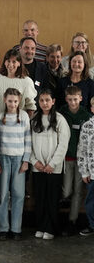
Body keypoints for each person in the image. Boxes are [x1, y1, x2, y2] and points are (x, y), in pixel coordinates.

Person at [30, 89, 70, 240]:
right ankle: (40, 226)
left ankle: (51, 228)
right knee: (40, 198)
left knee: (52, 198)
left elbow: (63, 145)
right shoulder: (34, 119)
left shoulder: (60, 119)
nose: (44, 103)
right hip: (38, 167)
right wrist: (35, 161)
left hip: (54, 168)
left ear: (53, 101)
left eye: (47, 100)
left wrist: (52, 163)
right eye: (42, 100)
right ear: (38, 102)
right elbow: (29, 143)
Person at [0, 88, 31, 241]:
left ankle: (16, 228)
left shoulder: (23, 116)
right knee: (3, 194)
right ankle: (3, 228)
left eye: (15, 101)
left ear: (19, 101)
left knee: (18, 195)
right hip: (3, 159)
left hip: (18, 159)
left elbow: (27, 138)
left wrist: (26, 160)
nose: (12, 104)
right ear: (5, 100)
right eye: (10, 101)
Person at [59, 85, 91, 235]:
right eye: (70, 99)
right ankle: (62, 213)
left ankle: (72, 220)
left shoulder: (86, 115)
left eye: (75, 99)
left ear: (81, 98)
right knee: (66, 190)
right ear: (66, 99)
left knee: (78, 191)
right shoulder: (62, 112)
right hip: (66, 157)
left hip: (81, 160)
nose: (73, 102)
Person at [0, 48, 36, 116]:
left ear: (19, 63)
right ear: (5, 62)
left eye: (14, 61)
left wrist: (25, 123)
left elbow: (30, 106)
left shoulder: (27, 81)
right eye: (8, 61)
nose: (10, 64)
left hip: (19, 122)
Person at [77, 95, 94, 236]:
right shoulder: (87, 126)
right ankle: (92, 225)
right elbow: (82, 150)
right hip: (91, 173)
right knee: (90, 202)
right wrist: (84, 172)